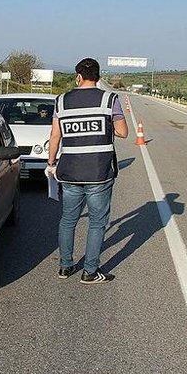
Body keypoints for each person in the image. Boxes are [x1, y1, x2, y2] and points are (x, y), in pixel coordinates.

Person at [46, 58, 129, 284]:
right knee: (96, 222)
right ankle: (90, 272)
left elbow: (55, 136)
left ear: (78, 77)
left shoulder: (61, 101)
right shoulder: (109, 99)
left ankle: (65, 266)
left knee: (68, 220)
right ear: (99, 78)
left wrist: (51, 163)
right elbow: (123, 132)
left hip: (70, 171)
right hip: (99, 172)